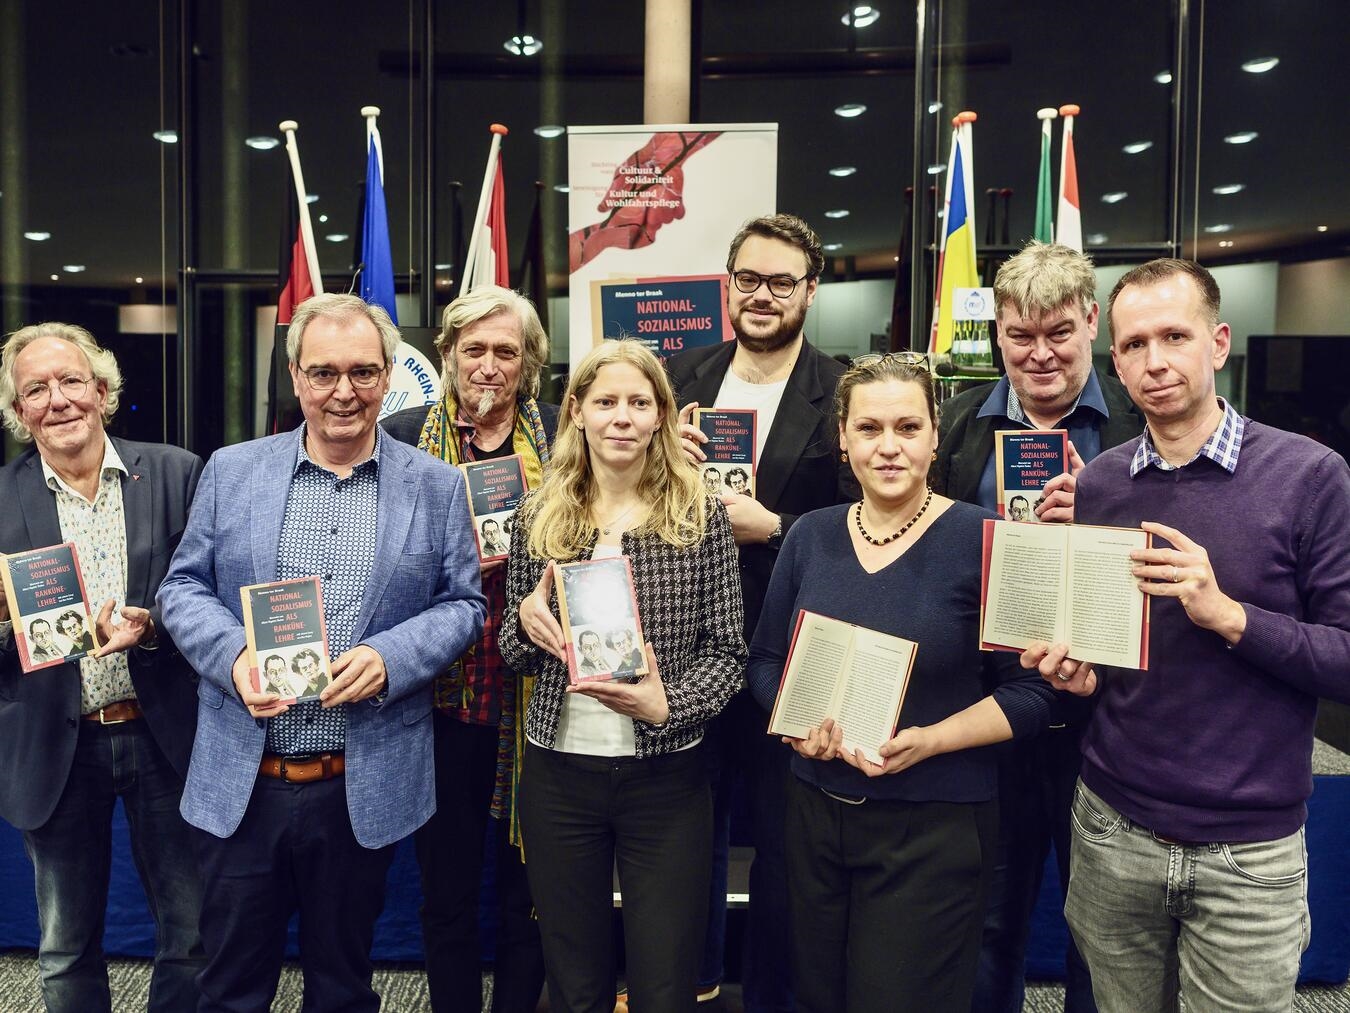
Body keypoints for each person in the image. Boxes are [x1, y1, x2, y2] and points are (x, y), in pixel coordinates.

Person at [1024, 258, 1350, 1013]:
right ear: (1117, 362)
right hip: (1111, 829)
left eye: (1175, 335)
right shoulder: (1101, 484)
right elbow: (1115, 654)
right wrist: (1082, 674)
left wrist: (1229, 614)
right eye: (1134, 344)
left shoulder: (1311, 476)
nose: (1155, 360)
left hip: (1249, 851)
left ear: (1220, 342)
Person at [158, 293, 487, 1013]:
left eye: (365, 372)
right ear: (295, 375)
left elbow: (466, 603)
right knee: (229, 988)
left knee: (342, 988)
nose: (345, 391)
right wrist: (235, 657)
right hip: (245, 782)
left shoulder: (434, 487)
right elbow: (181, 589)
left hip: (358, 783)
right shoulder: (232, 470)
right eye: (325, 372)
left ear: (388, 376)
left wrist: (392, 656)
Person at [747, 353, 1054, 1011]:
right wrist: (798, 723)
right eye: (869, 428)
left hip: (935, 822)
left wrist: (933, 740)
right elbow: (766, 663)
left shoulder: (987, 537)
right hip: (816, 816)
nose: (888, 447)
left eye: (908, 427)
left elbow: (1031, 694)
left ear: (935, 436)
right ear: (843, 438)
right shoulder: (809, 536)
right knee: (818, 997)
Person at [500, 339, 746, 1013]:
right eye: (605, 401)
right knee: (574, 980)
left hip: (666, 781)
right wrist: (525, 624)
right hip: (559, 778)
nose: (622, 417)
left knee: (664, 985)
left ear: (661, 415)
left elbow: (728, 655)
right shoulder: (539, 515)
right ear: (575, 410)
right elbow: (510, 653)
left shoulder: (700, 516)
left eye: (640, 403)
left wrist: (667, 703)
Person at [931, 241, 1144, 1013]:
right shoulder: (955, 424)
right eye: (1021, 335)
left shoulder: (1139, 424)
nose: (1041, 353)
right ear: (998, 335)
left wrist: (1107, 509)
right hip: (993, 706)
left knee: (1104, 928)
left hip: (1111, 709)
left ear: (1092, 322)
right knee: (989, 921)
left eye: (1060, 332)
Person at [666, 212, 858, 1008]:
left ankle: (777, 996)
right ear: (727, 285)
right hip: (686, 650)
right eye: (750, 278)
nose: (763, 295)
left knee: (787, 848)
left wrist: (773, 525)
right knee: (687, 842)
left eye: (783, 282)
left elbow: (865, 518)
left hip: (793, 653)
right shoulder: (679, 376)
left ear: (809, 292)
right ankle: (695, 985)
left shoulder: (841, 388)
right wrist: (660, 464)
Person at [0, 321, 205, 1012]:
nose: (57, 400)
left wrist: (152, 626)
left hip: (163, 732)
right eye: (36, 388)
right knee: (63, 948)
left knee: (190, 934)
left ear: (103, 390)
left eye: (70, 381)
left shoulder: (177, 472)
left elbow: (212, 595)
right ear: (19, 410)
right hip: (55, 740)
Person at [383, 283, 557, 1013]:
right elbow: (374, 563)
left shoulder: (563, 440)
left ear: (529, 365)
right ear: (446, 356)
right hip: (441, 704)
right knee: (447, 890)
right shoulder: (396, 436)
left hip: (537, 701)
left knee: (530, 896)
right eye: (474, 349)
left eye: (506, 352)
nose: (489, 365)